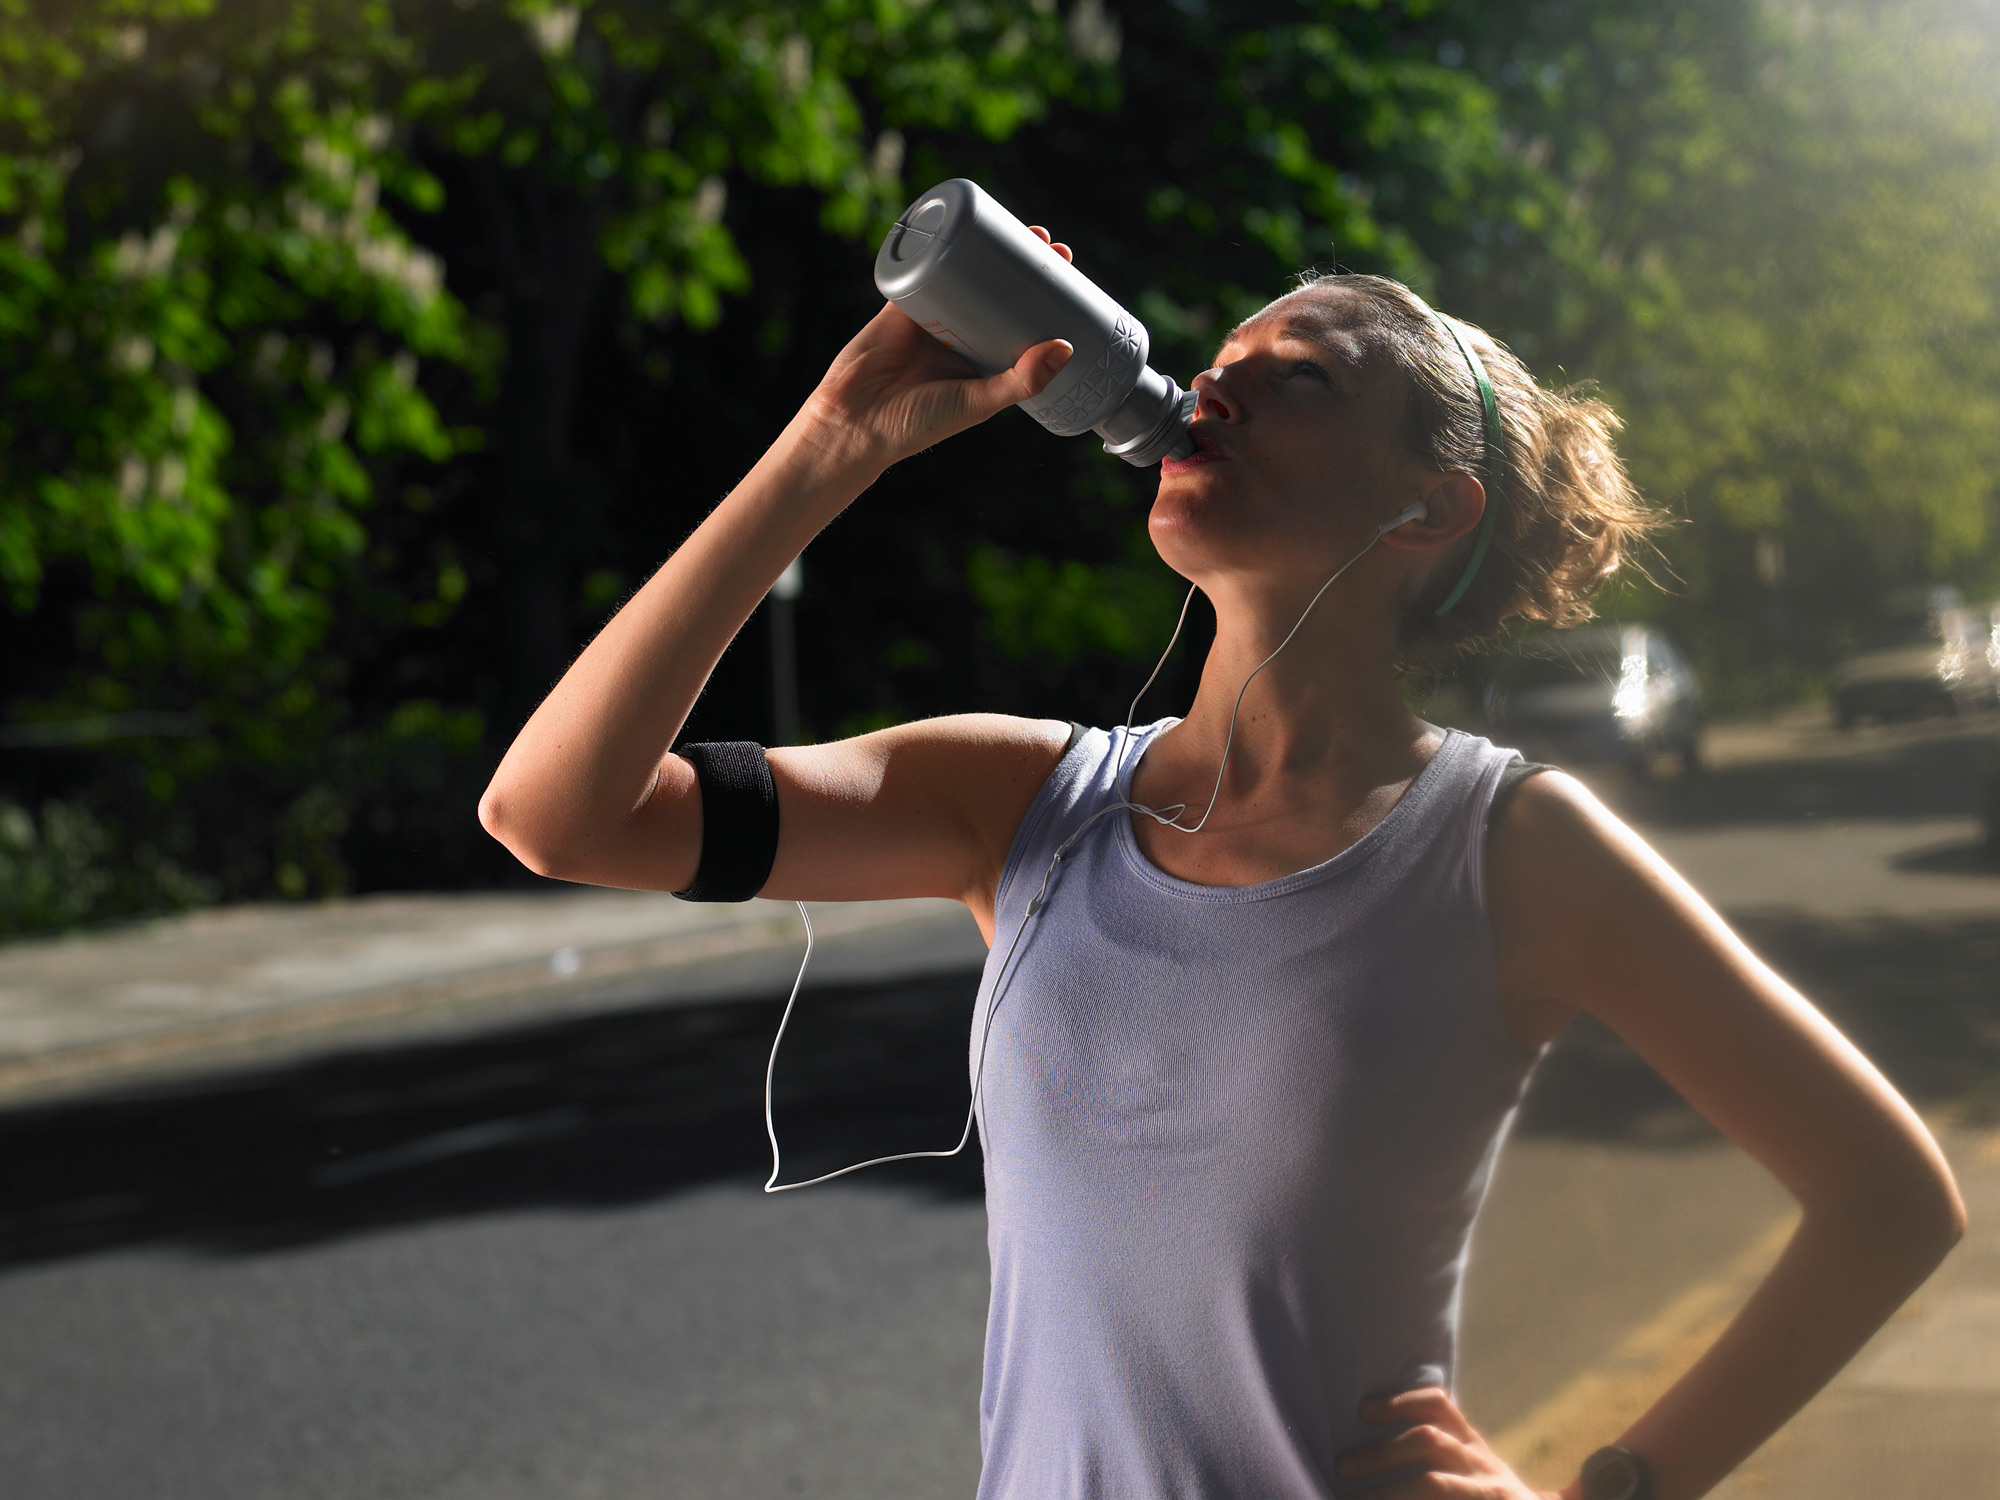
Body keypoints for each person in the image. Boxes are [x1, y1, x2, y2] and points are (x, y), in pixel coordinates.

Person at [478, 235, 1964, 1499]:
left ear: (1426, 505)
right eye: (1224, 359)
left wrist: (1611, 1491)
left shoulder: (1508, 847)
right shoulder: (1020, 801)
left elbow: (1892, 1196)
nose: (1217, 386)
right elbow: (559, 815)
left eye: (1301, 377)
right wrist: (833, 440)